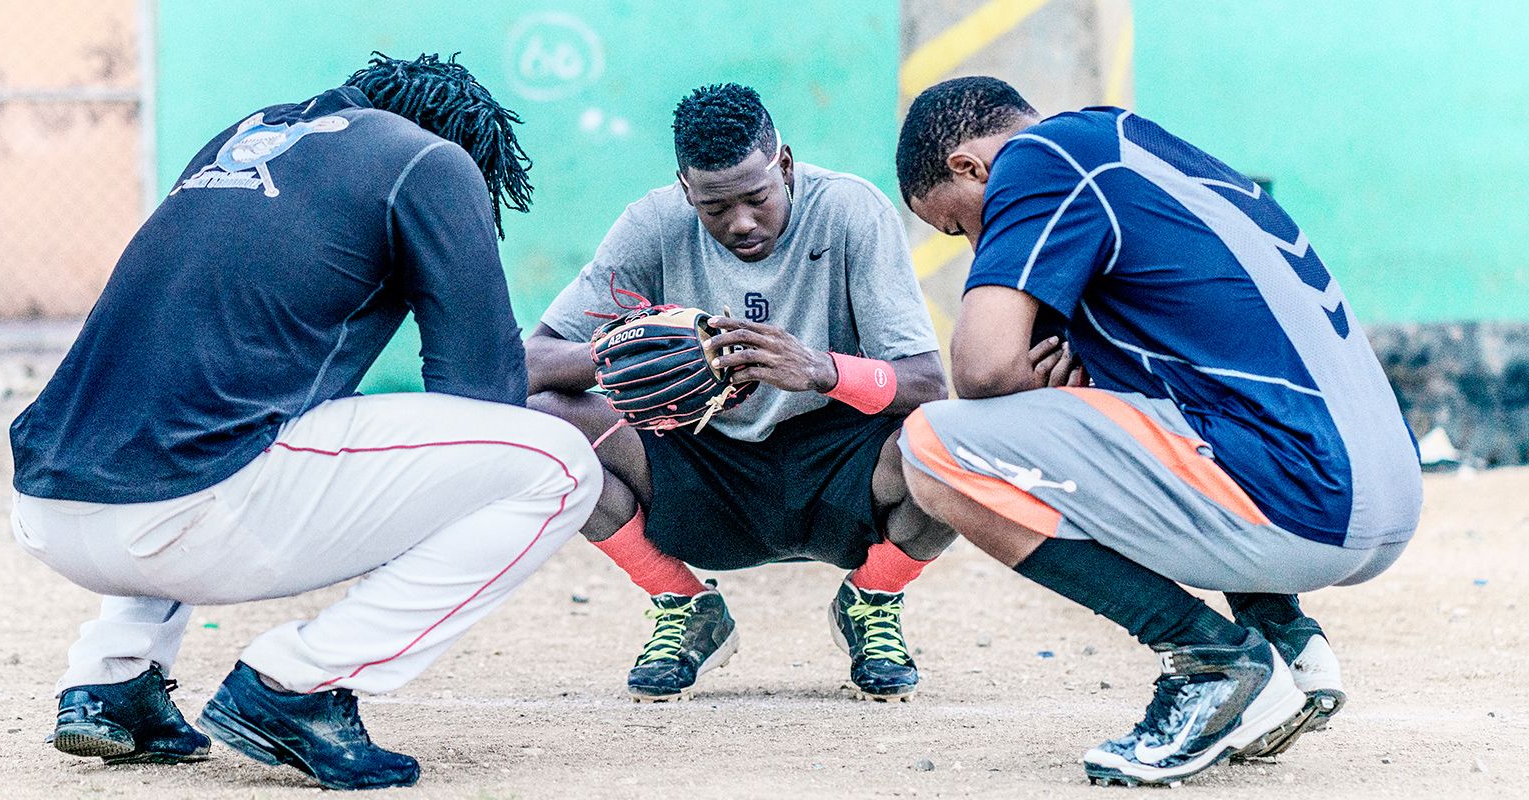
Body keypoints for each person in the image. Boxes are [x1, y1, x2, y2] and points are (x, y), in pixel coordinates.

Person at [7, 54, 599, 791]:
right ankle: (297, 685)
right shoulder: (431, 162)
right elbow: (480, 390)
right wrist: (595, 364)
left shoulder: (244, 138)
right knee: (559, 463)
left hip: (44, 504)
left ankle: (113, 678)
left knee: (202, 410)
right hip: (187, 519)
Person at [892, 77, 1421, 785]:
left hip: (1306, 499)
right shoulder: (1140, 151)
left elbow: (983, 369)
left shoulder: (1040, 157)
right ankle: (1282, 636)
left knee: (934, 448)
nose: (972, 242)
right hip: (1379, 494)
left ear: (970, 168)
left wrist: (1028, 381)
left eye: (958, 225)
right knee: (1116, 386)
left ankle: (1214, 662)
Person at [526, 83, 952, 702]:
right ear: (685, 188)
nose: (741, 222)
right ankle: (682, 604)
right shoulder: (653, 223)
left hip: (836, 463)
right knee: (546, 426)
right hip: (701, 457)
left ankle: (873, 597)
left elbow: (927, 382)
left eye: (756, 198)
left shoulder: (851, 210)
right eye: (715, 208)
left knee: (954, 448)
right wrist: (623, 354)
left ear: (783, 164)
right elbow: (535, 359)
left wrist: (818, 369)